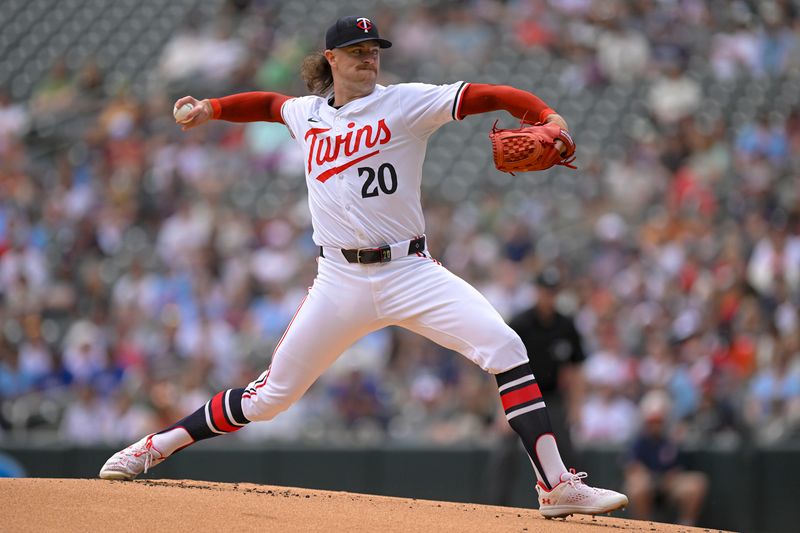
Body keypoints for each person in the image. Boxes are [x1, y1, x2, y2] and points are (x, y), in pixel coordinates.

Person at [98, 15, 628, 518]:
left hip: (410, 270)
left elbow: (488, 96)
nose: (368, 59)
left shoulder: (405, 104)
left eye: (374, 51)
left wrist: (545, 116)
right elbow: (267, 104)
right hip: (340, 281)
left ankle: (556, 485)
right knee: (269, 399)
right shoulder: (307, 114)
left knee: (507, 347)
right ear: (330, 57)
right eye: (356, 51)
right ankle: (154, 447)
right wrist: (212, 107)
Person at [485, 267, 587, 505]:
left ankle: (578, 499)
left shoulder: (566, 325)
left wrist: (576, 407)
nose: (548, 297)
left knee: (568, 452)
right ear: (536, 292)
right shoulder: (521, 323)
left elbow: (577, 369)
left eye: (552, 292)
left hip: (552, 397)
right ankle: (495, 507)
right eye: (544, 291)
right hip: (519, 395)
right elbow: (499, 365)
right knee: (505, 453)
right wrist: (501, 409)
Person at [624, 390, 708, 526]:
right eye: (652, 421)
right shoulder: (639, 440)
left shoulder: (672, 438)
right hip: (649, 484)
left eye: (658, 421)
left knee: (696, 483)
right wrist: (645, 476)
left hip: (670, 485)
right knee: (636, 486)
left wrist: (672, 476)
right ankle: (643, 526)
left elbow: (681, 467)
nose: (655, 425)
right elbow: (632, 467)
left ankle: (685, 526)